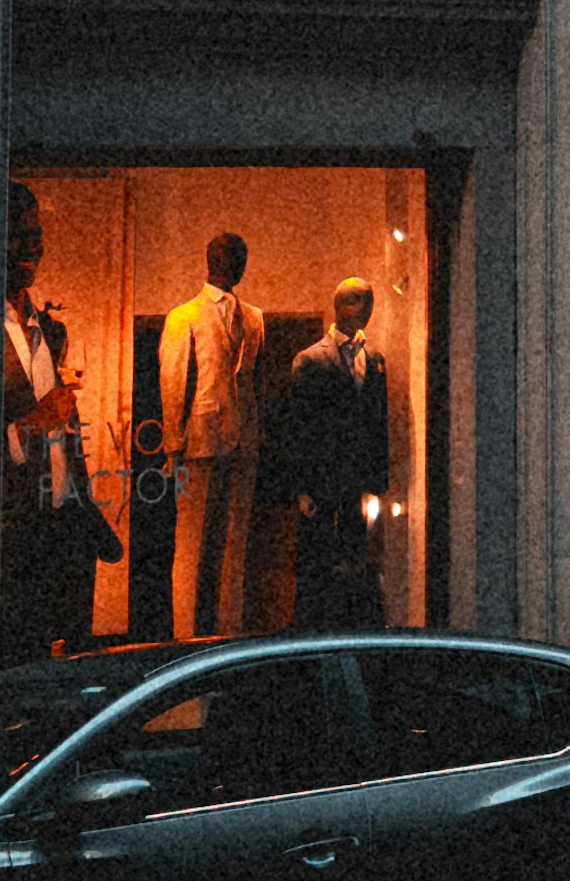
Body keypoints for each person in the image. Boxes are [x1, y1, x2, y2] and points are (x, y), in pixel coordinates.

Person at [0, 191, 105, 662]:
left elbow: (65, 425)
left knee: (65, 670)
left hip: (64, 530)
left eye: (36, 235)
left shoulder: (50, 331)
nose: (30, 247)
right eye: (17, 235)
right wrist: (30, 425)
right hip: (10, 536)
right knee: (15, 665)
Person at [151, 230, 265, 642]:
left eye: (241, 256)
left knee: (234, 544)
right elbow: (172, 380)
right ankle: (185, 635)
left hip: (243, 440)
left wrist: (256, 435)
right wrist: (173, 444)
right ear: (210, 260)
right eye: (227, 255)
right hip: (199, 439)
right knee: (192, 542)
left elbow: (253, 379)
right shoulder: (184, 315)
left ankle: (227, 633)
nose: (235, 263)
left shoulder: (254, 317)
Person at [273, 275, 402, 630]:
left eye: (368, 302)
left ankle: (354, 626)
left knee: (356, 557)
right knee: (318, 562)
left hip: (357, 481)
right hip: (321, 479)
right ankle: (313, 630)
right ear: (340, 306)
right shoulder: (311, 360)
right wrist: (300, 488)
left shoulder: (374, 359)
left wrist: (378, 481)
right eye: (359, 301)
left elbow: (378, 422)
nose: (366, 311)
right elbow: (296, 427)